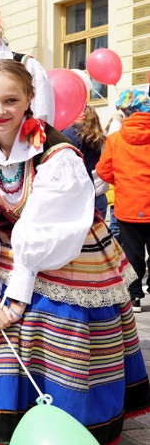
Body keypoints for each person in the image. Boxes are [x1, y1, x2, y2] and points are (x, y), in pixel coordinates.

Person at [0, 59, 149, 445]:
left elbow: (47, 229)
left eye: (10, 100)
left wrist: (16, 297)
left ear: (29, 99)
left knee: (56, 321)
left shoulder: (59, 154)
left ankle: (68, 428)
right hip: (6, 242)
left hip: (66, 244)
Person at [97, 87, 150, 313]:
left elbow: (103, 170)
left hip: (128, 205)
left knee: (132, 252)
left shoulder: (116, 138)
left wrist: (122, 179)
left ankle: (135, 297)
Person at [64, 104, 108, 218]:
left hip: (79, 196)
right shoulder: (98, 136)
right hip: (97, 193)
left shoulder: (69, 134)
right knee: (100, 234)